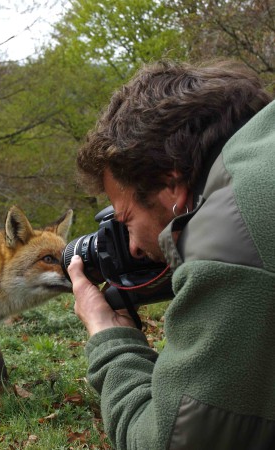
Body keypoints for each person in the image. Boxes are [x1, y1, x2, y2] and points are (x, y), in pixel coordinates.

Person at [67, 60, 275, 450]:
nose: (130, 247)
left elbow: (171, 441)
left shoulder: (230, 232)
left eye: (126, 219)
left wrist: (110, 337)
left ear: (172, 184)